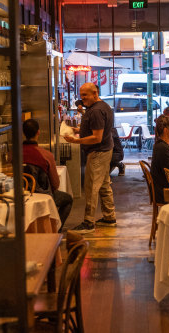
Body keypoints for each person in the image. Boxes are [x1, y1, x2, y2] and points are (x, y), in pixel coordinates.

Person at [64, 83, 116, 233]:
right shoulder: (101, 107)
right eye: (81, 95)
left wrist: (76, 140)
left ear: (95, 93)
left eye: (85, 95)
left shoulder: (96, 111)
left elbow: (97, 137)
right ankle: (109, 217)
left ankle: (88, 222)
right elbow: (96, 129)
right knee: (104, 185)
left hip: (98, 152)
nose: (82, 98)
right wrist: (78, 130)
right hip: (106, 150)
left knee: (91, 187)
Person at [22, 119, 73, 230]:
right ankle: (55, 229)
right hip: (42, 196)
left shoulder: (14, 154)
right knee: (68, 199)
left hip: (20, 196)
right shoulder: (46, 155)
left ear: (23, 133)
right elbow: (55, 185)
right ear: (38, 132)